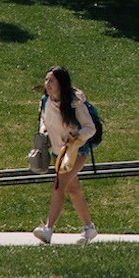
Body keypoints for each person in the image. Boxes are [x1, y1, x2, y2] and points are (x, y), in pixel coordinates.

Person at [31, 65, 98, 244]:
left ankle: (48, 229)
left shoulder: (74, 102)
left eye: (51, 80)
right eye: (46, 80)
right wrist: (43, 132)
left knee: (58, 186)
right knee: (73, 189)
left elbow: (91, 128)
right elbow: (44, 122)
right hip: (57, 152)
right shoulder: (45, 101)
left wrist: (77, 135)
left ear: (61, 82)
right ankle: (89, 228)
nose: (47, 83)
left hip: (76, 151)